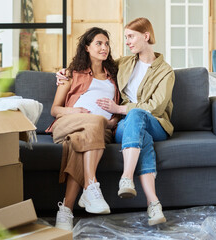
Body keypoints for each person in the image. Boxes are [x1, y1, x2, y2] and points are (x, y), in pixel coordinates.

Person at [57, 17, 175, 226]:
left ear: (145, 36)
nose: (127, 41)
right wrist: (62, 72)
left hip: (154, 121)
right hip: (125, 126)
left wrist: (119, 110)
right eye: (126, 37)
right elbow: (91, 64)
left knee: (137, 115)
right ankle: (154, 204)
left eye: (131, 37)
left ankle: (126, 177)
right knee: (141, 136)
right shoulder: (124, 63)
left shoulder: (165, 71)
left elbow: (156, 107)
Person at [49, 27, 120, 231]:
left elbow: (117, 110)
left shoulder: (114, 75)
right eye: (98, 43)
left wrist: (114, 121)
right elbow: (55, 110)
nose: (104, 47)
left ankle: (65, 211)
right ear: (87, 47)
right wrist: (75, 112)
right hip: (69, 123)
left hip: (101, 130)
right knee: (94, 121)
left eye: (106, 43)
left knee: (82, 142)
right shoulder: (72, 73)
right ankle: (90, 186)